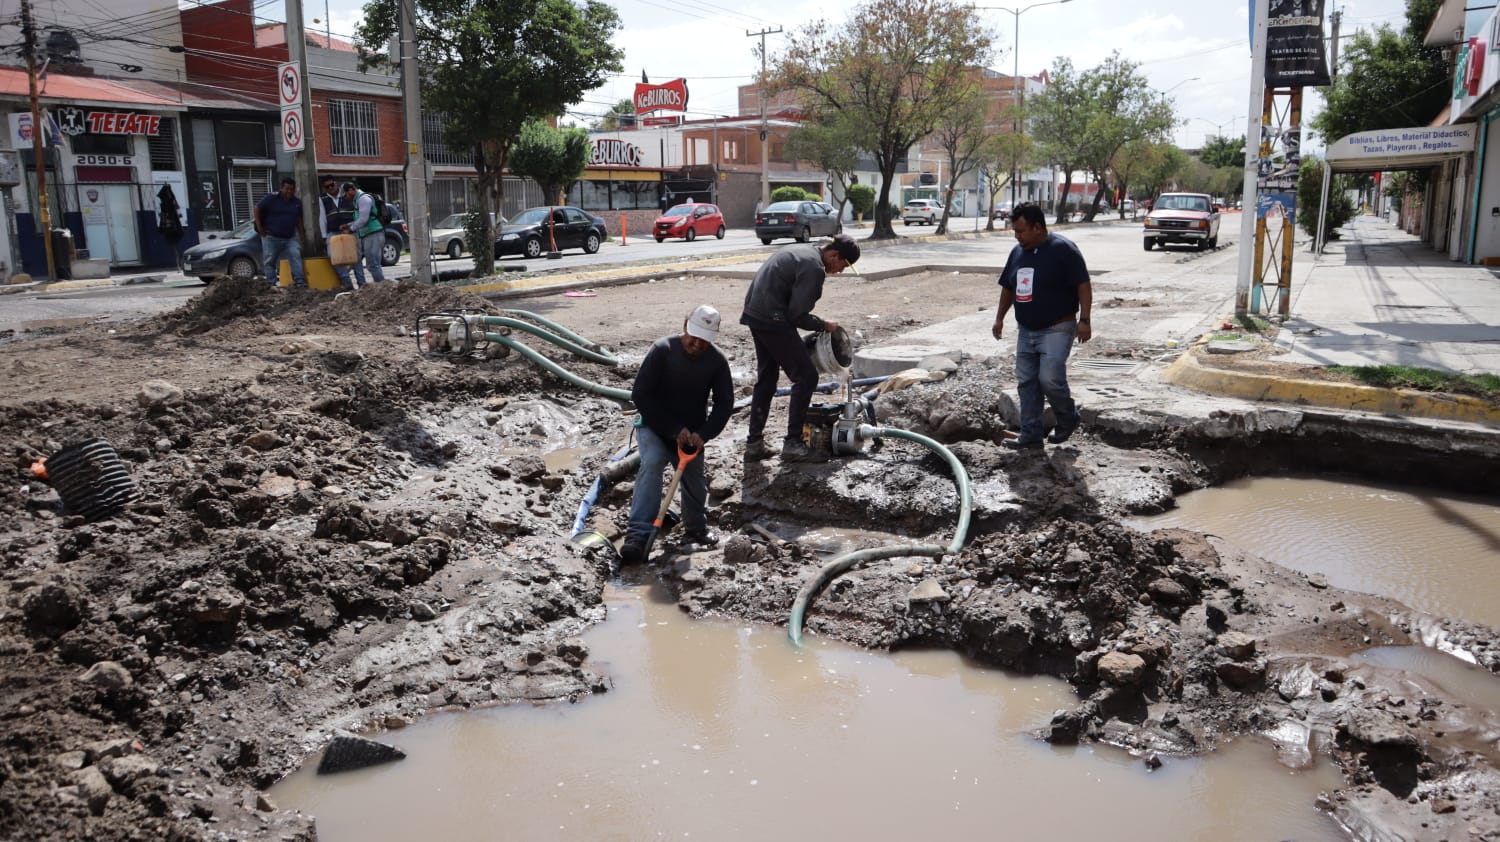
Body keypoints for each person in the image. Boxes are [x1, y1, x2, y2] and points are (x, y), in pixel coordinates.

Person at [620, 305, 734, 565]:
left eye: (704, 339)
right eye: (693, 336)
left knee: (694, 478)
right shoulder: (662, 350)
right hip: (655, 426)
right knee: (652, 464)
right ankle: (638, 536)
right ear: (685, 326)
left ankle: (695, 530)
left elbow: (724, 403)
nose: (696, 343)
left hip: (693, 433)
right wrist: (673, 429)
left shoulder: (716, 361)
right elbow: (641, 394)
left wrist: (704, 434)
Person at [739, 233, 860, 462]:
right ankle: (793, 443)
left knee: (767, 379)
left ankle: (754, 444)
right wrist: (823, 325)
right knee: (806, 377)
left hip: (756, 314)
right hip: (773, 319)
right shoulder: (814, 267)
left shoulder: (804, 251)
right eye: (843, 264)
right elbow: (797, 315)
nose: (841, 270)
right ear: (834, 254)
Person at [990, 202, 1093, 450]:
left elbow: (1083, 284)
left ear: (1038, 227)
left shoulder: (1063, 249)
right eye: (1015, 231)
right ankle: (1031, 435)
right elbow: (1008, 287)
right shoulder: (1017, 253)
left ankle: (1068, 417)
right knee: (1027, 382)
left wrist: (1085, 320)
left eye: (1022, 231)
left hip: (1058, 326)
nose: (1018, 236)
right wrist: (999, 317)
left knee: (1049, 378)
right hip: (1026, 329)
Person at [254, 177, 307, 288]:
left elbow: (298, 219)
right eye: (287, 188)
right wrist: (260, 228)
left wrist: (302, 234)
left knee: (295, 255)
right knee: (270, 260)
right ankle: (271, 284)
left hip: (290, 237)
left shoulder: (296, 202)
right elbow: (257, 209)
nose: (289, 191)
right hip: (271, 237)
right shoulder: (271, 198)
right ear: (282, 188)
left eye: (292, 189)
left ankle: (300, 282)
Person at [339, 182, 387, 286]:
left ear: (351, 190)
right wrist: (348, 225)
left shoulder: (363, 199)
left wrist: (350, 229)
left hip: (374, 234)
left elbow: (363, 220)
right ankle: (384, 288)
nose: (346, 198)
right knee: (374, 265)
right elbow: (361, 219)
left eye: (346, 194)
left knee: (373, 265)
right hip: (370, 235)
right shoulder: (358, 200)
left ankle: (384, 288)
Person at [317, 177, 356, 289]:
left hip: (349, 230)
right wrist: (324, 235)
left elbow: (355, 212)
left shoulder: (347, 194)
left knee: (355, 257)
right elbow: (322, 217)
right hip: (332, 232)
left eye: (332, 185)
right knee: (333, 256)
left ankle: (361, 283)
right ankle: (347, 282)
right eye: (327, 187)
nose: (330, 188)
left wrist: (351, 227)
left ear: (336, 184)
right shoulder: (323, 199)